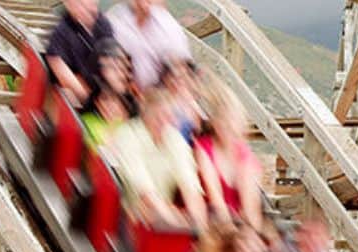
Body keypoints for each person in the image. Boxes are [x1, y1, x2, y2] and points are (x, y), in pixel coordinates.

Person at [106, 89, 206, 228]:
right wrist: (175, 222)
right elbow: (144, 190)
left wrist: (198, 226)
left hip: (163, 216)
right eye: (158, 116)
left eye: (169, 117)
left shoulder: (174, 138)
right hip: (125, 214)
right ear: (146, 114)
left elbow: (190, 185)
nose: (164, 122)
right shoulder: (127, 134)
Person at [196, 85, 262, 228]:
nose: (228, 127)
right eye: (223, 122)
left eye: (233, 122)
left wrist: (251, 233)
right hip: (211, 222)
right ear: (215, 124)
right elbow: (215, 198)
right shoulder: (204, 147)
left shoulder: (245, 156)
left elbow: (250, 209)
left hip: (238, 227)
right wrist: (230, 230)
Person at [107, 0, 190, 90]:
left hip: (161, 95)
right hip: (124, 92)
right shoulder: (115, 21)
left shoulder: (169, 26)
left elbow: (182, 69)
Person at [45, 0, 113, 106]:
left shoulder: (103, 24)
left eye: (91, 4)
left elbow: (112, 61)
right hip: (81, 101)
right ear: (69, 4)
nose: (88, 9)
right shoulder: (61, 32)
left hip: (104, 94)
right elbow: (58, 65)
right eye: (80, 4)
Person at [80, 39, 136, 149]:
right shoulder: (88, 118)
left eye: (122, 68)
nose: (120, 74)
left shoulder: (133, 109)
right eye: (113, 68)